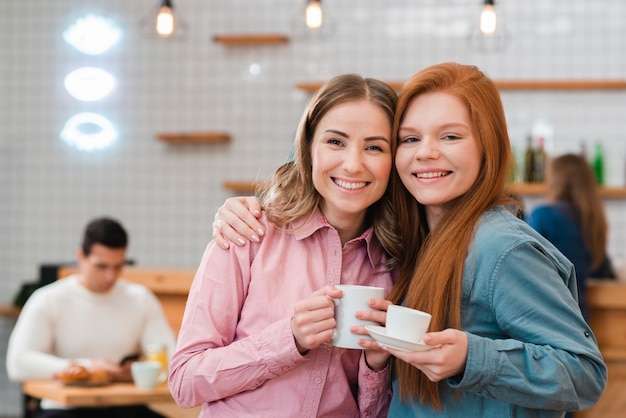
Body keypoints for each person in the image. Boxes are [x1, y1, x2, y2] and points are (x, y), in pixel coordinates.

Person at [213, 62, 607, 417]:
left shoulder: (502, 248)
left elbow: (585, 373)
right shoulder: (410, 242)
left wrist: (472, 357)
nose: (427, 154)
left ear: (488, 146)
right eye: (410, 139)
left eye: (450, 137)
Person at [168, 74, 402, 417]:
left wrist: (377, 364)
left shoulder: (394, 263)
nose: (353, 163)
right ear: (308, 148)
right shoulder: (246, 234)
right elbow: (185, 381)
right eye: (336, 142)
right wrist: (288, 339)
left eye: (374, 147)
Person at [6, 217, 176, 418]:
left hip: (126, 408)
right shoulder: (48, 299)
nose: (110, 277)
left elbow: (171, 357)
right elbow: (18, 363)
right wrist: (87, 368)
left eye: (118, 267)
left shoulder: (141, 299)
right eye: (101, 267)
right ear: (81, 256)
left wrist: (137, 370)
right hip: (64, 410)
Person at [527, 153, 614, 322]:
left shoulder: (542, 216)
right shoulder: (592, 222)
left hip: (546, 318)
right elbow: (601, 269)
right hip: (580, 320)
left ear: (554, 182)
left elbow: (522, 264)